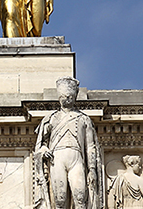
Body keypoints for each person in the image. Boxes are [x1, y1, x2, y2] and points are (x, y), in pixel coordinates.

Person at [34, 77, 104, 209]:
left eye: (70, 96)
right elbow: (41, 144)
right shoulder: (51, 119)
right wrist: (44, 150)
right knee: (59, 199)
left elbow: (90, 146)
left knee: (80, 196)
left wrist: (92, 169)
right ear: (59, 98)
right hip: (57, 159)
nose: (67, 99)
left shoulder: (84, 119)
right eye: (63, 96)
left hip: (76, 159)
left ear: (74, 97)